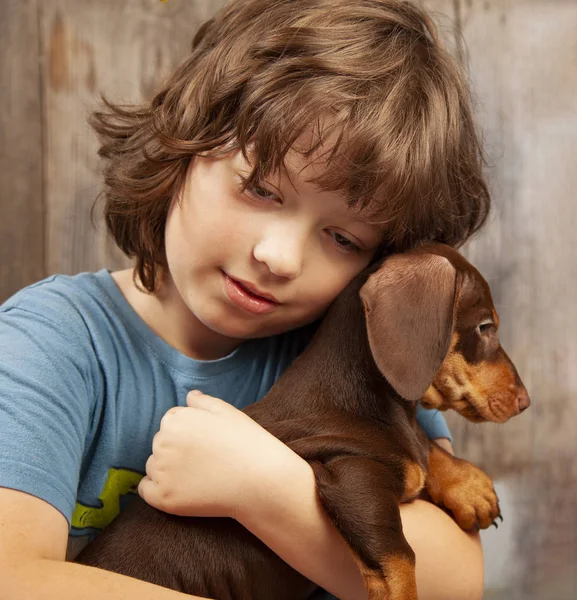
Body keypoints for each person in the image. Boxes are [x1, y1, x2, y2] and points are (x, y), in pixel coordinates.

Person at [0, 0, 491, 598]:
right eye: (260, 188)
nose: (280, 257)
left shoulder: (368, 357)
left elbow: (457, 583)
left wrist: (266, 490)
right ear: (181, 143)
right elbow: (13, 578)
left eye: (342, 238)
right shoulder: (53, 343)